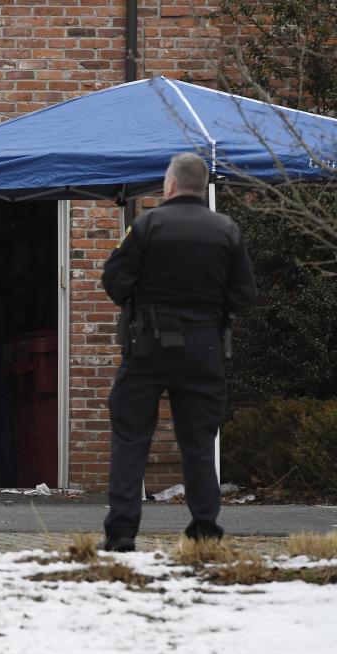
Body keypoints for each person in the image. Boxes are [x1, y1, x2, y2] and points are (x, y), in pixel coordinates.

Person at [100, 152, 257, 552]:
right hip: (203, 348)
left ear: (169, 185)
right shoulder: (227, 230)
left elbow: (115, 282)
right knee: (198, 442)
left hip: (147, 347)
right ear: (202, 187)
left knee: (132, 437)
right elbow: (244, 295)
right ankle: (205, 529)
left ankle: (121, 533)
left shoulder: (146, 225)